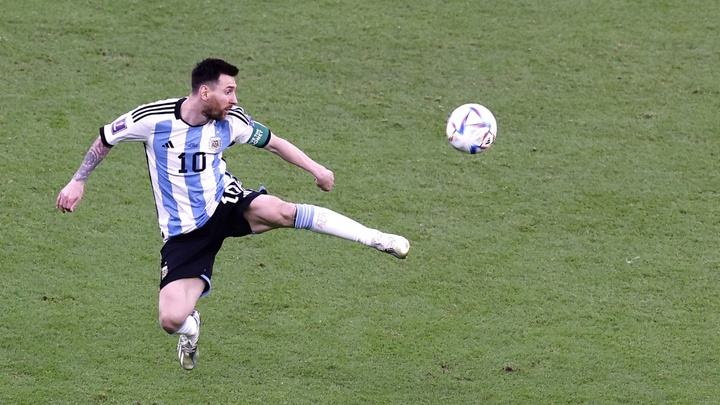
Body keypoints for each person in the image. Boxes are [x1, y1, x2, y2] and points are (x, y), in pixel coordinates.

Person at [56, 58, 410, 370]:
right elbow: (107, 138)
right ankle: (191, 329)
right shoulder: (152, 119)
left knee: (283, 212)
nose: (235, 99)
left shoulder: (232, 121)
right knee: (170, 319)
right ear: (205, 92)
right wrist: (78, 180)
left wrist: (317, 169)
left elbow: (274, 143)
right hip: (184, 233)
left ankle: (377, 239)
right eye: (229, 91)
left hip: (224, 202)